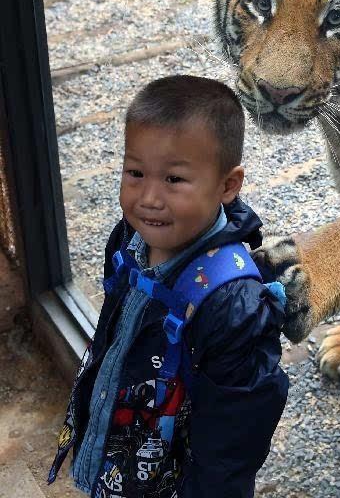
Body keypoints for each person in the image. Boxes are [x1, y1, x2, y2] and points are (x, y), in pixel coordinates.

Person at [48, 75, 289, 497]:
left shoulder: (234, 305)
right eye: (136, 172)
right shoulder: (128, 239)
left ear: (228, 185)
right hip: (117, 455)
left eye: (174, 180)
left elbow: (234, 440)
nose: (149, 198)